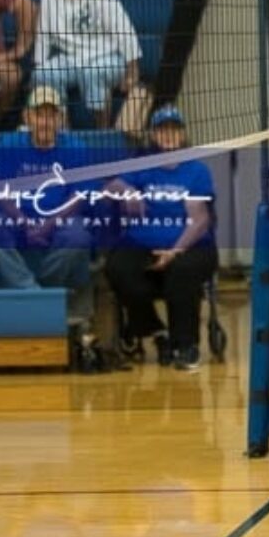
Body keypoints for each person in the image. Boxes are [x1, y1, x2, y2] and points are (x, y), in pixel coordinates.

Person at [106, 106, 218, 371]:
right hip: (142, 243)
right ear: (154, 135)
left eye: (173, 129)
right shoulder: (142, 165)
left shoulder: (196, 171)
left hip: (189, 245)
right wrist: (128, 191)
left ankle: (185, 346)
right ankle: (156, 332)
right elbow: (111, 186)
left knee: (182, 271)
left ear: (182, 134)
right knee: (118, 269)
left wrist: (175, 251)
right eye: (162, 129)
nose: (168, 135)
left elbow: (200, 219)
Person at [0, 86, 97, 330]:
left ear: (60, 119)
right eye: (39, 114)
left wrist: (49, 224)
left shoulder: (75, 148)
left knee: (79, 235)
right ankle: (31, 290)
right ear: (27, 117)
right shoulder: (9, 144)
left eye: (51, 115)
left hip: (58, 218)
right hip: (18, 216)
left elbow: (79, 196)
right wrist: (24, 221)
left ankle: (42, 290)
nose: (45, 121)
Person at [32, 0, 143, 129]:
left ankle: (102, 130)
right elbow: (43, 34)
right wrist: (39, 66)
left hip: (106, 56)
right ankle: (62, 129)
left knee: (94, 72)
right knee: (44, 74)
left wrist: (132, 70)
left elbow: (123, 29)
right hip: (71, 58)